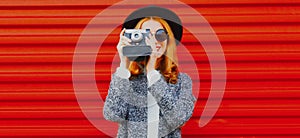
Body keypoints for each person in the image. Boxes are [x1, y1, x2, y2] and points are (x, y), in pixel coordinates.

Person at [103, 6, 196, 138]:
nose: (153, 41)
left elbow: (178, 118)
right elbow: (112, 115)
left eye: (160, 35)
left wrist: (152, 71)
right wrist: (124, 64)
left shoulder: (182, 81)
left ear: (168, 40)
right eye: (146, 35)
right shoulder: (126, 80)